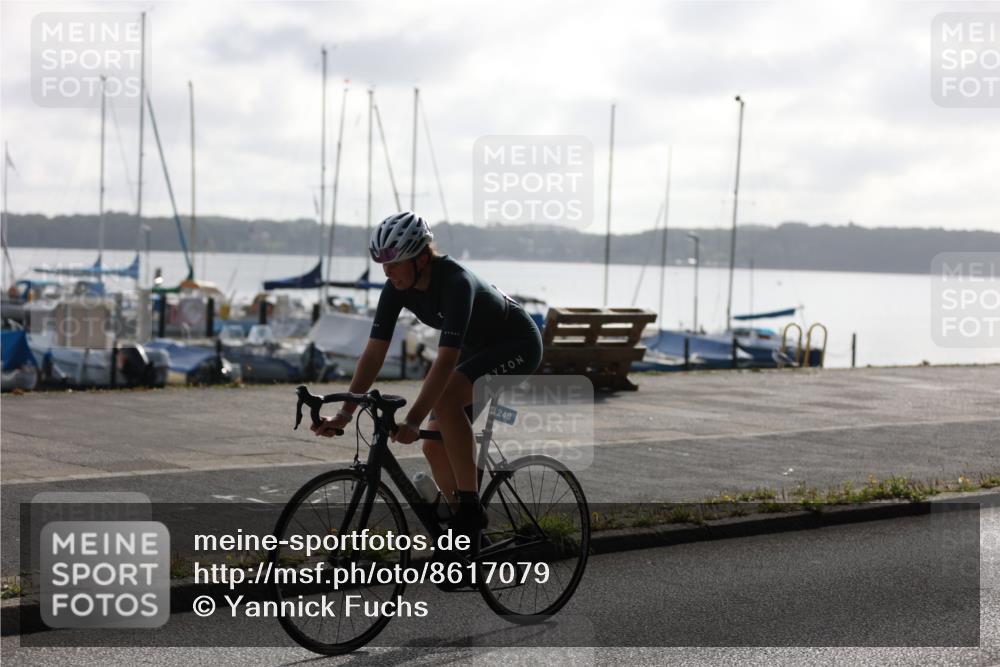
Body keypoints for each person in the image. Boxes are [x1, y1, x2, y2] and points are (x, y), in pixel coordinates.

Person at [311, 211, 543, 541]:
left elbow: (445, 360)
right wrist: (345, 413)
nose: (387, 271)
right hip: (476, 348)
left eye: (394, 263)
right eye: (382, 263)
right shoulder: (396, 287)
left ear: (421, 258)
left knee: (446, 401)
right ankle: (469, 541)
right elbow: (374, 353)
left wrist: (413, 420)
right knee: (433, 446)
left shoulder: (455, 283)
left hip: (517, 344)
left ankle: (470, 508)